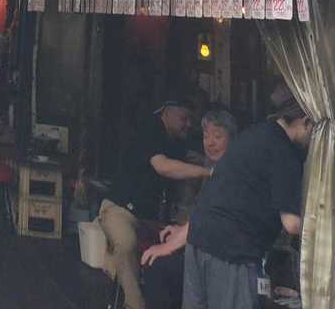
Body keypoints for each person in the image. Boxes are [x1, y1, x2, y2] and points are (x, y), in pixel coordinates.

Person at [181, 94, 313, 309]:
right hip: (234, 249)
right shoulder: (285, 151)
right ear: (306, 122)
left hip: (198, 238)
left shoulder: (254, 133)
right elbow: (292, 223)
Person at [99, 95, 212, 309]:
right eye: (184, 118)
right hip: (121, 209)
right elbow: (163, 167)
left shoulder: (178, 142)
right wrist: (208, 172)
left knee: (175, 255)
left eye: (191, 120)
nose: (189, 124)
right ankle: (135, 304)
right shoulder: (149, 128)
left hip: (154, 218)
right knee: (125, 243)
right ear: (166, 112)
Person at [140, 108, 238, 309]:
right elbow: (200, 216)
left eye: (217, 136)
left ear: (232, 140)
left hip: (222, 259)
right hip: (203, 249)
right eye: (206, 136)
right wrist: (179, 231)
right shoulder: (214, 172)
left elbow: (209, 219)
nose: (210, 143)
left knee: (159, 265)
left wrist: (170, 246)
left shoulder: (233, 173)